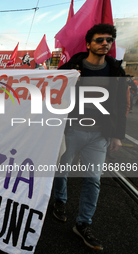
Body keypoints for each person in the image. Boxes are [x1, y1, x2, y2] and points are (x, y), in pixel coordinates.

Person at [53, 24, 127, 250]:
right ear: (88, 44)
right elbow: (50, 90)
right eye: (99, 40)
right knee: (61, 170)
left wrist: (116, 135)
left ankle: (84, 224)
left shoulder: (116, 71)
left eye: (109, 40)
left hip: (99, 135)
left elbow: (119, 104)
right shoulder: (71, 68)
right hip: (71, 130)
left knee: (93, 179)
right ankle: (60, 201)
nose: (105, 43)